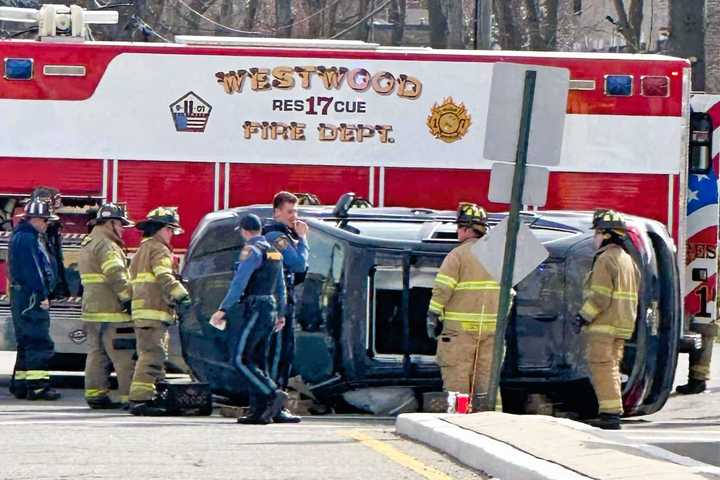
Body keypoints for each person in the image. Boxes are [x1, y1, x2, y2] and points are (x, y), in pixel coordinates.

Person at [210, 214, 287, 425]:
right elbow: (281, 287)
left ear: (244, 231)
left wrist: (223, 308)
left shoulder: (251, 250)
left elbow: (239, 283)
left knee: (240, 359)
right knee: (258, 360)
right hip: (270, 308)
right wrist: (281, 313)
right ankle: (259, 411)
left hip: (255, 308)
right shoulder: (274, 251)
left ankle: (271, 394)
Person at [427, 202, 499, 407]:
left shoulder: (457, 255)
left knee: (458, 383)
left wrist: (432, 316)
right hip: (491, 333)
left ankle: (460, 420)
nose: (457, 232)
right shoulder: (499, 257)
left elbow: (442, 289)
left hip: (460, 335)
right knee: (486, 384)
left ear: (466, 229)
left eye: (458, 227)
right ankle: (486, 420)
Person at [574, 209, 640, 430]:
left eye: (597, 233)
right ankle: (612, 411)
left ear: (606, 234)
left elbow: (600, 296)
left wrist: (583, 316)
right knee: (611, 366)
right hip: (622, 324)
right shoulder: (628, 260)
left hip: (604, 324)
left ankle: (610, 415)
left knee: (603, 366)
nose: (595, 237)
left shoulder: (605, 259)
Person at [127, 207, 191, 415]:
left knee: (153, 355)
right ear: (161, 229)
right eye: (171, 230)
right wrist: (182, 295)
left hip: (144, 312)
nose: (172, 235)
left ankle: (154, 394)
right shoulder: (159, 249)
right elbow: (164, 276)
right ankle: (141, 400)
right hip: (153, 311)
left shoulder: (143, 249)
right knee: (152, 355)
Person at [78, 203, 136, 409]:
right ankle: (130, 398)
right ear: (110, 223)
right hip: (112, 311)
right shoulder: (108, 245)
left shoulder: (89, 242)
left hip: (92, 311)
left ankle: (95, 394)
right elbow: (116, 274)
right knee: (124, 356)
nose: (122, 230)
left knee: (97, 354)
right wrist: (128, 299)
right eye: (120, 225)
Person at [262, 191, 309, 423]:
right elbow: (298, 264)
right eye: (290, 212)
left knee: (284, 353)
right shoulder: (275, 235)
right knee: (278, 353)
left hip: (283, 297)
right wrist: (304, 239)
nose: (294, 216)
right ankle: (273, 404)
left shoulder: (285, 235)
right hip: (278, 300)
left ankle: (274, 403)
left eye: (296, 211)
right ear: (277, 212)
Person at [8, 200, 61, 400]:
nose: (47, 225)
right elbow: (35, 269)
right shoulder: (28, 239)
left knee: (26, 342)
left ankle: (21, 384)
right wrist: (42, 294)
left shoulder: (21, 236)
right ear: (36, 219)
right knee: (39, 341)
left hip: (24, 295)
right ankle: (38, 386)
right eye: (46, 220)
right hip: (31, 296)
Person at [30, 187, 69, 299]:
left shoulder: (52, 229)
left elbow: (55, 260)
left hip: (48, 290)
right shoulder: (30, 236)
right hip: (39, 293)